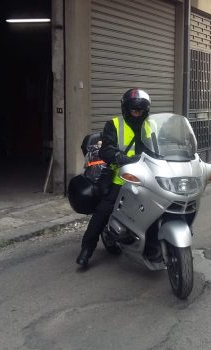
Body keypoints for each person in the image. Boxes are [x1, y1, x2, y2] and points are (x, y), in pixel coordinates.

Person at [76, 88, 151, 268]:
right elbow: (106, 150)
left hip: (146, 177)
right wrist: (122, 158)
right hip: (120, 178)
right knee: (103, 211)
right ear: (126, 109)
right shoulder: (114, 125)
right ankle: (86, 249)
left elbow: (160, 146)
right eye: (135, 110)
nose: (138, 113)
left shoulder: (150, 126)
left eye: (141, 110)